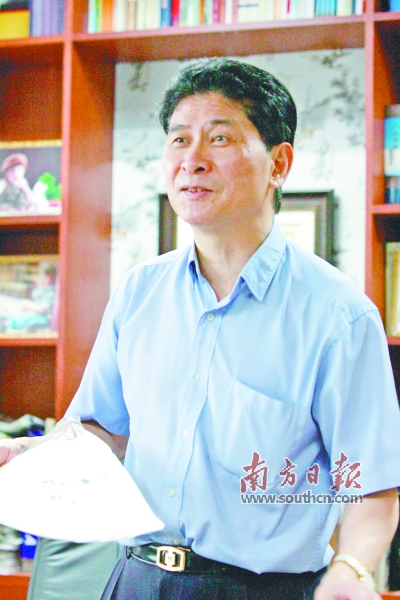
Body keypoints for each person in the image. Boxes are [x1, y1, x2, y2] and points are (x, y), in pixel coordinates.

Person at [1, 57, 400, 600]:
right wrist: (32, 456)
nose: (192, 160)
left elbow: (371, 484)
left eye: (219, 138)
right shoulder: (139, 293)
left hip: (263, 590)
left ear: (279, 163)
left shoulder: (338, 316)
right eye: (179, 140)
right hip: (136, 578)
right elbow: (102, 431)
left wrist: (352, 567)